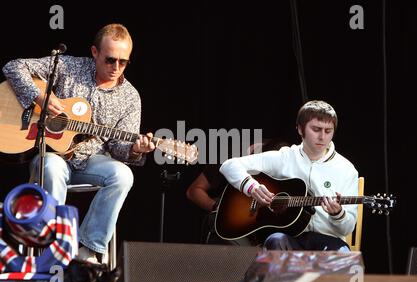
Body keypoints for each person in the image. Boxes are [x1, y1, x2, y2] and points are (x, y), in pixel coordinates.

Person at [2, 23, 155, 263]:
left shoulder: (130, 97)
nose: (116, 67)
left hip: (93, 161)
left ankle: (88, 249)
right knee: (50, 166)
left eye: (123, 62)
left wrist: (135, 149)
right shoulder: (68, 66)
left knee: (123, 175)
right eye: (110, 59)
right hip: (53, 156)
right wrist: (40, 97)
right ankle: (52, 249)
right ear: (95, 52)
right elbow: (13, 66)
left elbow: (118, 147)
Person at [219, 100, 359, 251]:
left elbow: (347, 229)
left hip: (328, 241)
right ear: (300, 129)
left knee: (344, 257)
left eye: (328, 131)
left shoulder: (346, 169)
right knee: (276, 241)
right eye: (316, 129)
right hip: (288, 238)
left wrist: (338, 213)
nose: (322, 137)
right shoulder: (285, 157)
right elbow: (229, 165)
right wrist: (252, 187)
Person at [186, 138, 288, 245]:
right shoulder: (230, 155)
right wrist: (218, 207)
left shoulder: (284, 154)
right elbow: (194, 191)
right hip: (232, 226)